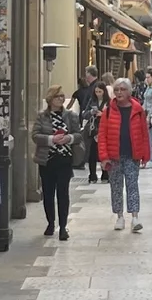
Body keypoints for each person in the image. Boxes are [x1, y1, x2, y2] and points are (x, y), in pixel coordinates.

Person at [97, 76, 150, 231]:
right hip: (113, 156)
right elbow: (102, 136)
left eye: (123, 89)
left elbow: (143, 133)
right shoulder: (108, 111)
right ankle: (119, 217)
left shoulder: (138, 110)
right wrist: (104, 157)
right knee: (116, 187)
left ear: (129, 92)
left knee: (132, 185)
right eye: (117, 90)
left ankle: (135, 217)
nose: (119, 92)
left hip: (132, 155)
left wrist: (145, 154)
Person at [32, 86, 77, 241]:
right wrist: (51, 139)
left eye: (62, 96)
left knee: (63, 193)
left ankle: (63, 227)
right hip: (47, 160)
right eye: (58, 96)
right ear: (50, 99)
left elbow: (78, 135)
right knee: (48, 193)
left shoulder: (70, 116)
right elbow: (35, 136)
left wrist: (69, 138)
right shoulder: (42, 116)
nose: (61, 99)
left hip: (64, 159)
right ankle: (50, 223)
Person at [80, 78, 108, 184]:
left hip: (104, 129)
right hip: (93, 130)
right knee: (92, 153)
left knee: (104, 152)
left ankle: (105, 174)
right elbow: (84, 114)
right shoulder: (92, 101)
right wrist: (91, 112)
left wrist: (103, 114)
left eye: (100, 91)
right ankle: (92, 175)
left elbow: (113, 115)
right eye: (96, 92)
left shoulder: (109, 102)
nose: (98, 94)